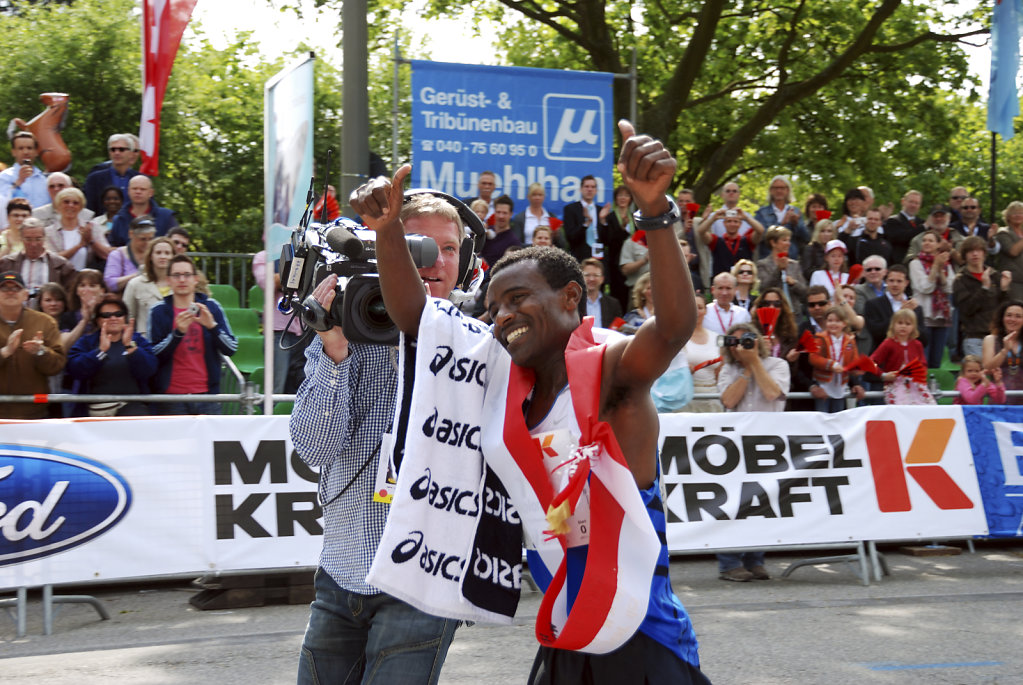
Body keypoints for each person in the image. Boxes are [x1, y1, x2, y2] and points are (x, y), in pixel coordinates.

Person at [351, 119, 706, 684]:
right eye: (494, 308)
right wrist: (388, 231)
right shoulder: (501, 377)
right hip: (564, 628)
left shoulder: (608, 368)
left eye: (519, 299)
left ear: (572, 297)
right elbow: (416, 317)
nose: (503, 316)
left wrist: (656, 212)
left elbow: (671, 330)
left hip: (641, 633)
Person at [289, 192, 466, 685]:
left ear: (464, 259)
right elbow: (314, 449)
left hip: (423, 582)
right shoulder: (347, 328)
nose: (434, 262)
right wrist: (335, 353)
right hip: (342, 571)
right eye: (420, 246)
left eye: (448, 249)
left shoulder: (476, 344)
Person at [715, 321, 789, 581]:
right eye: (735, 343)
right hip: (734, 446)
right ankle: (729, 564)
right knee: (733, 504)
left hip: (768, 443)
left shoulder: (778, 365)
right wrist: (746, 370)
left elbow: (772, 393)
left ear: (758, 341)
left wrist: (755, 361)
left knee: (763, 503)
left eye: (746, 340)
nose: (741, 347)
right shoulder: (727, 369)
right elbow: (728, 400)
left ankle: (755, 559)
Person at [147, 254, 237, 414]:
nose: (182, 280)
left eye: (187, 275)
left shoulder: (211, 307)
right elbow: (153, 355)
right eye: (176, 275)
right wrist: (177, 334)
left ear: (195, 279)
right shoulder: (158, 311)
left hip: (207, 397)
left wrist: (212, 327)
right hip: (171, 398)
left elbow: (231, 348)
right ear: (168, 280)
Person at [66, 293, 157, 417]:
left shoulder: (138, 341)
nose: (113, 318)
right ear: (98, 320)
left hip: (132, 407)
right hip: (97, 411)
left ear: (124, 317)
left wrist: (131, 348)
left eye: (118, 314)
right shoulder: (87, 342)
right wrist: (100, 352)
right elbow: (75, 370)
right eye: (106, 315)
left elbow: (149, 370)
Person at [0, 271, 66, 419]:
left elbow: (57, 366)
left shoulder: (45, 322)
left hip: (34, 414)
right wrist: (4, 352)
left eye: (16, 288)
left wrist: (41, 352)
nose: (10, 292)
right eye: (4, 288)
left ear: (25, 295)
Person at [252, 249, 307, 394]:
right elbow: (267, 283)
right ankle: (267, 416)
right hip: (278, 333)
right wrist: (297, 270)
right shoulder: (264, 256)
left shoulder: (305, 253)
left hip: (304, 331)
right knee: (276, 389)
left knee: (300, 385)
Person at [955, 236, 1009, 359]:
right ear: (965, 255)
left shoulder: (995, 275)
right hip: (975, 338)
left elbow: (1005, 309)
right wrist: (984, 288)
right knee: (979, 375)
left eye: (978, 250)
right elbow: (967, 309)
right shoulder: (960, 279)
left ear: (984, 253)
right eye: (970, 251)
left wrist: (1005, 290)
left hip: (997, 336)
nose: (975, 254)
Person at [909, 230, 955, 368]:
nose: (927, 243)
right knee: (923, 360)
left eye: (930, 240)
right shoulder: (915, 264)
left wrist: (940, 269)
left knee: (936, 362)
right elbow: (925, 287)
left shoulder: (947, 265)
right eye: (924, 240)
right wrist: (935, 266)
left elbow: (949, 288)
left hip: (941, 317)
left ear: (938, 244)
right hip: (924, 317)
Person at [870, 308, 936, 405]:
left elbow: (923, 365)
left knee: (928, 408)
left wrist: (918, 373)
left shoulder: (917, 344)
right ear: (893, 324)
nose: (903, 326)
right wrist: (883, 375)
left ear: (914, 327)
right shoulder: (888, 343)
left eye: (908, 324)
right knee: (900, 411)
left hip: (916, 385)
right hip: (895, 385)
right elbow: (871, 362)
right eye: (900, 323)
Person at [808, 306, 865, 412]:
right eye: (830, 320)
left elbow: (855, 360)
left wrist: (857, 369)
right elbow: (813, 357)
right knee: (822, 415)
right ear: (825, 322)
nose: (833, 324)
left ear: (844, 323)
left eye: (837, 321)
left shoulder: (850, 341)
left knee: (838, 415)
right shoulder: (819, 338)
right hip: (823, 384)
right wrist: (831, 365)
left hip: (841, 385)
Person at [0, 219, 76, 295]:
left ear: (44, 238)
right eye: (28, 239)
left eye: (38, 239)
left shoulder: (61, 265)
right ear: (21, 238)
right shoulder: (7, 264)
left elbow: (70, 294)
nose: (33, 244)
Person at [44, 187, 111, 271]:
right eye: (66, 202)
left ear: (81, 207)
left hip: (85, 280)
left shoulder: (91, 227)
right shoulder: (49, 232)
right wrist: (79, 246)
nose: (71, 205)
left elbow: (107, 254)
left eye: (75, 203)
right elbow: (51, 260)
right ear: (58, 205)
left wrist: (91, 241)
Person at [864, 264, 926, 351]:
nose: (895, 284)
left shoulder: (916, 308)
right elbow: (876, 333)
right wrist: (900, 313)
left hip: (908, 357)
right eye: (891, 281)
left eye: (899, 281)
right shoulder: (873, 304)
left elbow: (924, 339)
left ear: (906, 283)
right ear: (886, 282)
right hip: (883, 357)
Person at [107, 175, 179, 247]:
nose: (138, 192)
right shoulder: (119, 219)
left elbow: (176, 245)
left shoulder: (166, 217)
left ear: (151, 193)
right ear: (128, 191)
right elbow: (112, 247)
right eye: (134, 189)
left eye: (142, 189)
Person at [123, 237, 174, 336]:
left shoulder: (181, 284)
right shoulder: (135, 284)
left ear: (173, 256)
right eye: (158, 253)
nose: (163, 256)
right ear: (151, 256)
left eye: (167, 253)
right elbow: (127, 318)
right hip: (145, 342)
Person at [682, 295, 723, 413]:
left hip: (712, 397)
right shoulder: (678, 338)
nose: (696, 312)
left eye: (699, 307)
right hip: (686, 398)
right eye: (691, 307)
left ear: (705, 311)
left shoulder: (716, 337)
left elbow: (720, 372)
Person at [598, 184, 636, 310]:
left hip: (633, 261)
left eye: (626, 195)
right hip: (616, 262)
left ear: (630, 198)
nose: (623, 198)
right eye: (620, 195)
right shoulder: (611, 217)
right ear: (615, 198)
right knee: (618, 294)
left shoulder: (635, 217)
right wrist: (621, 228)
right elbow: (608, 241)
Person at [83, 133, 140, 214]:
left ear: (131, 153)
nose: (116, 153)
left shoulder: (141, 179)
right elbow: (89, 208)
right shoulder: (95, 179)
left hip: (133, 224)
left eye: (121, 149)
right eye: (113, 149)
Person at [697, 207, 763, 276]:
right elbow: (701, 232)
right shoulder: (716, 241)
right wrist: (713, 218)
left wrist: (746, 218)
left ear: (740, 224)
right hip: (721, 281)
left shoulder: (747, 241)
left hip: (742, 279)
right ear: (724, 223)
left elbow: (760, 231)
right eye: (729, 221)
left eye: (736, 221)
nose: (732, 224)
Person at [0, 132, 48, 226]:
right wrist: (18, 182)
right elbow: (2, 204)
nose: (26, 152)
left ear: (36, 152)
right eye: (21, 148)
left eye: (29, 148)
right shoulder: (4, 177)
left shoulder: (45, 181)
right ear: (13, 152)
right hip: (12, 232)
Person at [753, 175, 806, 258]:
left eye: (782, 188)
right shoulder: (762, 212)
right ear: (771, 190)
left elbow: (806, 238)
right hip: (768, 260)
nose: (779, 191)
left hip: (790, 259)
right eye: (775, 188)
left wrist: (796, 224)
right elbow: (760, 237)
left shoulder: (796, 211)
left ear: (787, 190)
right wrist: (781, 224)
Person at [756, 225, 807, 310]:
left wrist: (793, 283)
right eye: (784, 240)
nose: (788, 244)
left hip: (795, 313)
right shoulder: (762, 264)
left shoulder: (794, 265)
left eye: (789, 240)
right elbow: (763, 288)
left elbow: (805, 292)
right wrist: (778, 270)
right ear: (773, 243)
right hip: (773, 311)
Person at [982, 300, 1023, 405]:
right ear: (1002, 318)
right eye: (1009, 315)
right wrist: (1004, 350)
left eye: (1018, 316)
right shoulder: (990, 339)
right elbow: (987, 368)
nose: (1012, 319)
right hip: (999, 401)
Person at [104, 216, 156, 292]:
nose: (147, 243)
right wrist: (138, 275)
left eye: (150, 239)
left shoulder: (156, 255)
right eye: (142, 239)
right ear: (131, 234)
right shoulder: (118, 255)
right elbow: (110, 284)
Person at [511, 182, 565, 249]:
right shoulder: (520, 218)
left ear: (544, 197)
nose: (537, 198)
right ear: (528, 196)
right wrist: (536, 246)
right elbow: (516, 244)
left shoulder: (552, 217)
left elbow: (562, 245)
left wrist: (557, 236)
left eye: (540, 195)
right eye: (534, 195)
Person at [562, 174, 601, 260]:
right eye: (586, 186)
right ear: (580, 189)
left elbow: (607, 239)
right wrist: (586, 224)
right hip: (578, 256)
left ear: (596, 190)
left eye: (593, 187)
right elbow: (570, 237)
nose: (590, 189)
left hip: (598, 256)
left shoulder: (601, 211)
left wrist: (604, 221)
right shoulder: (570, 209)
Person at [578, 257, 623, 328]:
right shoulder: (575, 303)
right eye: (587, 275)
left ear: (602, 279)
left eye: (596, 275)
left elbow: (618, 329)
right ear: (581, 278)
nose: (591, 279)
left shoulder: (613, 304)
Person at [883, 190, 925, 266]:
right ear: (903, 201)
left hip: (919, 265)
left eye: (917, 203)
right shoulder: (892, 221)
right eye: (911, 202)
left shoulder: (921, 222)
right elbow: (904, 237)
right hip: (900, 265)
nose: (913, 205)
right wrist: (923, 227)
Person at [704, 271, 751, 335]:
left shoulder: (743, 313)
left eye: (728, 288)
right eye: (720, 288)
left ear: (735, 290)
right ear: (713, 290)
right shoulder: (705, 312)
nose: (724, 293)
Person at [480, 194, 522, 266]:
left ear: (511, 214)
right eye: (498, 212)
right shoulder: (485, 232)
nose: (501, 216)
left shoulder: (514, 242)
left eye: (504, 213)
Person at [994, 201, 1023, 301]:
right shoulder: (1003, 233)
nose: (1018, 215)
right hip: (1013, 283)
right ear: (1008, 216)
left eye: (1021, 212)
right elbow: (1013, 251)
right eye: (1014, 213)